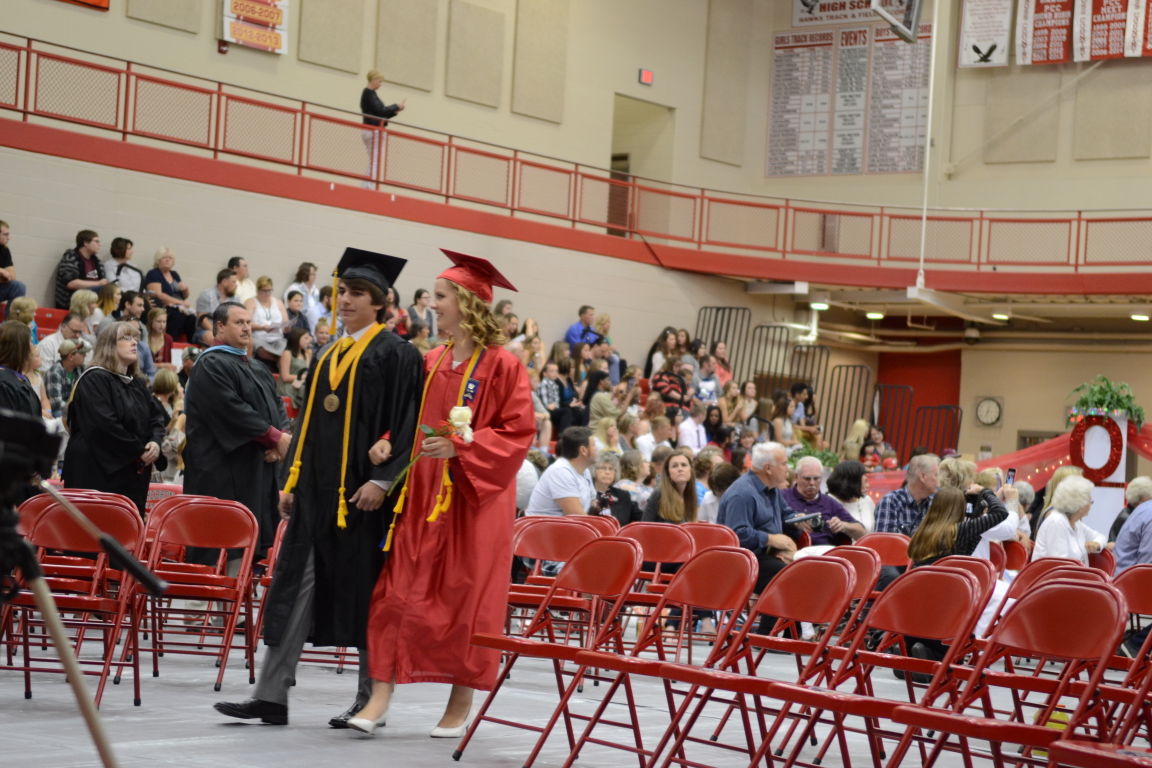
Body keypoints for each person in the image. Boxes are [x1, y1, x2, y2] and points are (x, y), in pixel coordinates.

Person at [214, 248, 422, 729]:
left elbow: (407, 423)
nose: (344, 300)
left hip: (362, 501)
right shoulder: (328, 352)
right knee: (293, 590)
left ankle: (371, 700)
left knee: (366, 593)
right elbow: (305, 423)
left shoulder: (398, 355)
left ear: (379, 302)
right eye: (342, 292)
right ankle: (270, 695)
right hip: (315, 496)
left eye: (356, 294)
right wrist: (291, 480)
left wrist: (381, 481)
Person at [352, 249, 534, 738]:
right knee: (396, 593)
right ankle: (380, 697)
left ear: (468, 303)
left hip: (475, 500)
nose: (432, 304)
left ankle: (459, 702)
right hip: (422, 493)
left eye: (441, 296)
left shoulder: (503, 367)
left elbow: (517, 433)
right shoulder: (428, 361)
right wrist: (389, 439)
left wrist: (460, 449)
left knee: (466, 599)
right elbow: (407, 417)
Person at [184, 302, 292, 560]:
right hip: (222, 470)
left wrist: (278, 444)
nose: (246, 328)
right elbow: (231, 410)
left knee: (253, 548)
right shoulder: (210, 364)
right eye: (239, 322)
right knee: (222, 546)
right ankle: (208, 598)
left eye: (248, 322)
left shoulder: (257, 367)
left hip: (257, 469)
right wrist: (275, 438)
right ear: (219, 326)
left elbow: (277, 406)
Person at [63, 321, 166, 515]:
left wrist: (154, 443)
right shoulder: (93, 379)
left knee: (125, 536)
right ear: (109, 345)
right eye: (125, 338)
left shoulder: (137, 384)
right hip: (96, 471)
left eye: (135, 338)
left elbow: (157, 418)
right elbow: (104, 425)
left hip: (131, 472)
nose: (134, 342)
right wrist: (139, 451)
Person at [717, 442, 797, 595]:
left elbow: (786, 514)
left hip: (766, 555)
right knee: (787, 575)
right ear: (768, 469)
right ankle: (777, 619)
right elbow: (738, 535)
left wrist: (799, 521)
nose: (788, 468)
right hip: (741, 562)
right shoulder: (742, 494)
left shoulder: (772, 488)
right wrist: (771, 539)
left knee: (806, 568)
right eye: (784, 464)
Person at [907, 485, 1012, 567]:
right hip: (946, 588)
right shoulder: (959, 530)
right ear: (960, 509)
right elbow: (1001, 512)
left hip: (920, 585)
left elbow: (974, 534)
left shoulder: (920, 529)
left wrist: (978, 509)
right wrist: (985, 491)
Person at [784, 456, 866, 548]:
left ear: (822, 479)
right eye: (807, 479)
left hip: (826, 553)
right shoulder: (782, 497)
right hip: (794, 551)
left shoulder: (830, 503)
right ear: (796, 477)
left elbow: (861, 533)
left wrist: (843, 525)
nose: (812, 483)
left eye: (816, 479)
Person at [1031, 475, 1109, 565]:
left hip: (1072, 576)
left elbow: (1101, 537)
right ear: (1079, 504)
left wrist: (1097, 544)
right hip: (1054, 578)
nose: (1091, 504)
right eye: (1090, 500)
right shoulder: (1056, 522)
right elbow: (1061, 566)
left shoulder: (1076, 523)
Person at [1114, 478, 1152, 656]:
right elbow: (1147, 566)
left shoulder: (1144, 509)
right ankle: (1137, 644)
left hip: (1126, 580)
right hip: (1133, 586)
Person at [525, 426, 596, 518]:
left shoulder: (585, 470)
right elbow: (577, 517)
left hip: (562, 529)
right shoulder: (561, 472)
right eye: (595, 445)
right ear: (583, 450)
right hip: (541, 530)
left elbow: (592, 505)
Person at [360, 69, 406, 187]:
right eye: (380, 82)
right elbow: (381, 111)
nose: (381, 84)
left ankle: (367, 185)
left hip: (371, 129)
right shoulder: (368, 94)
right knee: (375, 160)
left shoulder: (370, 94)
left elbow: (381, 113)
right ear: (374, 80)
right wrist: (396, 106)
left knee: (374, 160)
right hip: (373, 130)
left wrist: (395, 111)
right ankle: (368, 186)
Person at [144, 246, 196, 341]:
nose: (168, 260)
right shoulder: (153, 273)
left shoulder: (174, 274)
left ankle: (190, 347)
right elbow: (159, 295)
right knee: (178, 317)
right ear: (158, 260)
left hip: (179, 307)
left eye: (170, 258)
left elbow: (184, 296)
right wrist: (180, 303)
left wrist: (186, 289)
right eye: (165, 257)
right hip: (164, 307)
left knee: (192, 318)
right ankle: (171, 345)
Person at [55, 229, 107, 309]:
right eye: (96, 241)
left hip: (93, 302)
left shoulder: (97, 262)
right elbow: (71, 283)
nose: (100, 244)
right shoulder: (71, 257)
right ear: (86, 243)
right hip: (72, 303)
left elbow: (103, 282)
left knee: (114, 292)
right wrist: (98, 283)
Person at [642, 448, 697, 523]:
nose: (680, 469)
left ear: (691, 470)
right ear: (668, 473)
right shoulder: (659, 494)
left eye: (684, 465)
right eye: (674, 466)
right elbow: (645, 526)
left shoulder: (691, 495)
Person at [246, 275, 289, 368]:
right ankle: (278, 362)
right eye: (264, 291)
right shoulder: (250, 302)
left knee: (287, 350)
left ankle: (281, 365)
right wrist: (262, 327)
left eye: (269, 290)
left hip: (277, 337)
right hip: (260, 336)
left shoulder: (278, 302)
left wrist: (286, 327)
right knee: (262, 350)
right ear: (258, 290)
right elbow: (246, 322)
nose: (267, 293)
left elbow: (285, 321)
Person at [0, 321, 40, 417]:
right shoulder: (3, 385)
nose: (33, 345)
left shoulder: (20, 378)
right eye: (30, 341)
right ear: (20, 347)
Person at [591, 452, 640, 527]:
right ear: (594, 470)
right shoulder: (589, 493)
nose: (607, 472)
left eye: (611, 469)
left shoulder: (623, 495)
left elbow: (638, 520)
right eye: (603, 468)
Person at [44, 338, 88, 419]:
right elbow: (56, 403)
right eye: (82, 354)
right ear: (71, 356)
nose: (85, 355)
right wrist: (79, 409)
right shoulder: (54, 372)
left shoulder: (81, 369)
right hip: (60, 411)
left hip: (76, 408)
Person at [826, 460, 875, 532]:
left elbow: (873, 531)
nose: (868, 485)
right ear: (852, 482)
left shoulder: (867, 500)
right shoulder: (828, 501)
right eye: (865, 482)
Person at [277, 327, 313, 410]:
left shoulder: (307, 353)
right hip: (288, 385)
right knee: (307, 391)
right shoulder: (287, 353)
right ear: (297, 338)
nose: (309, 340)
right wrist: (302, 377)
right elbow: (285, 377)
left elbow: (307, 371)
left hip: (301, 383)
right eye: (306, 338)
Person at [0, 220, 28, 311]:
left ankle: (10, 323)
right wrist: (1, 271)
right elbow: (5, 274)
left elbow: (12, 276)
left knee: (18, 286)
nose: (9, 238)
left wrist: (5, 275)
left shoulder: (4, 250)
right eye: (6, 234)